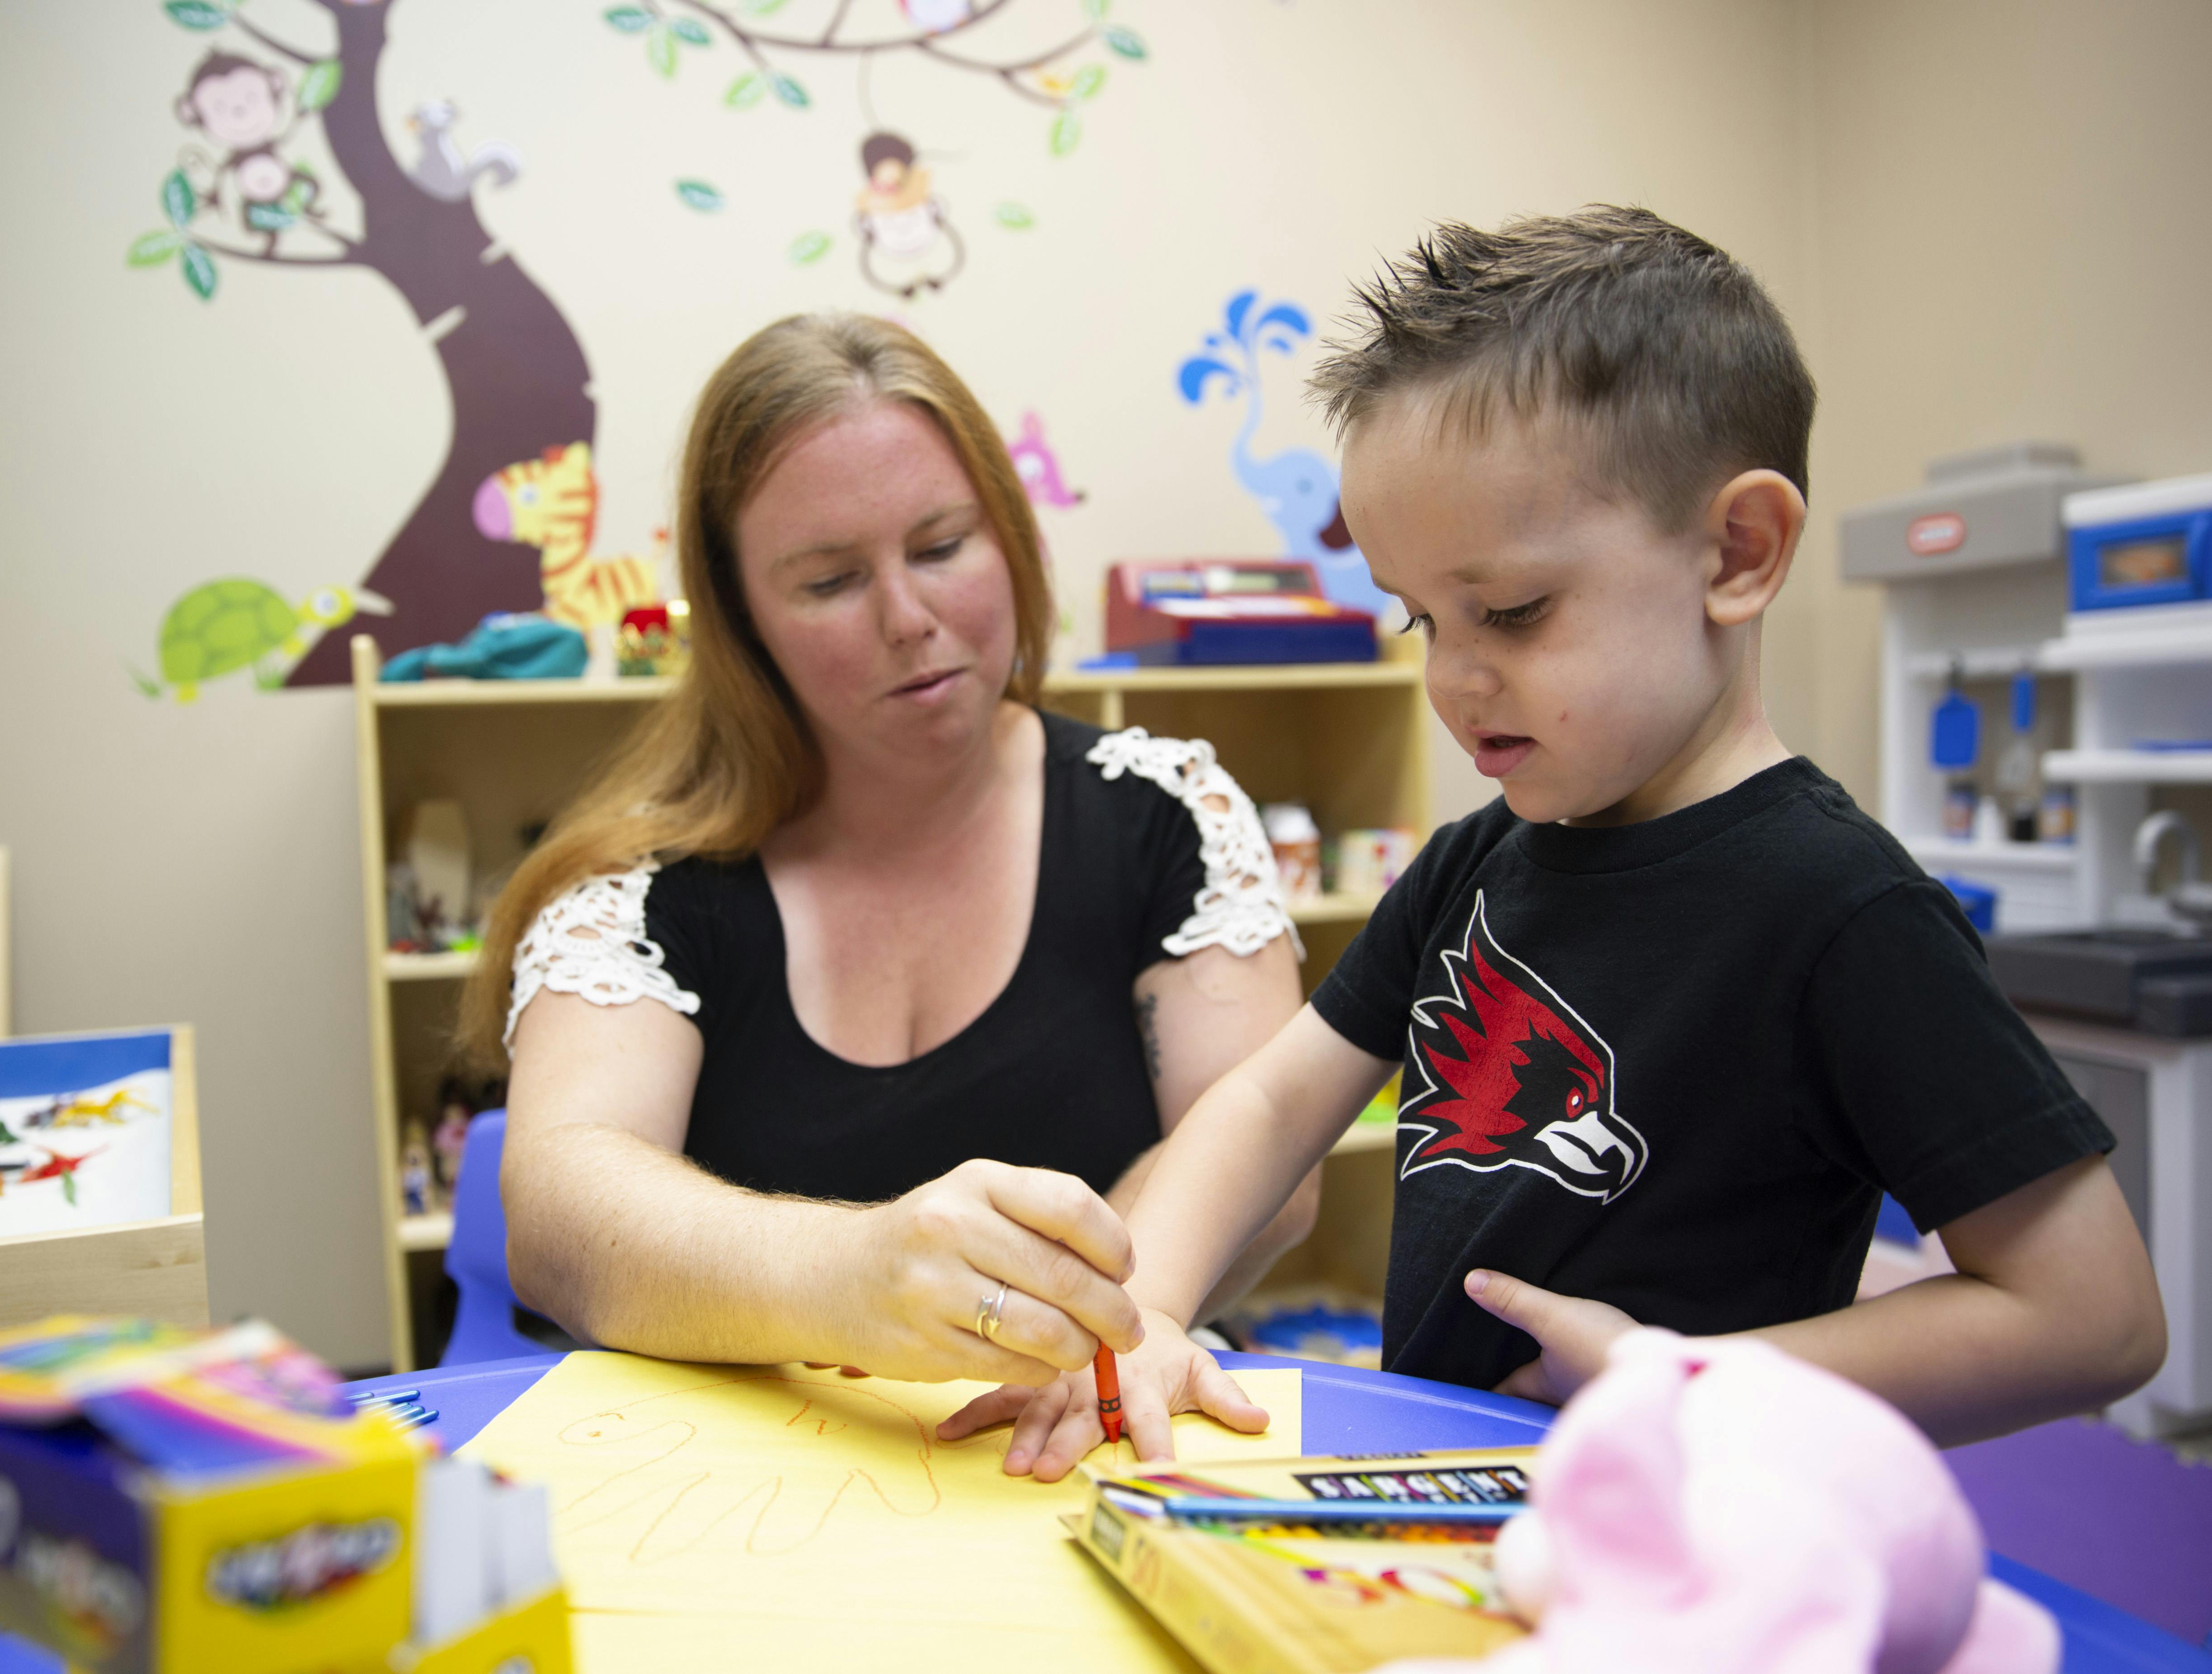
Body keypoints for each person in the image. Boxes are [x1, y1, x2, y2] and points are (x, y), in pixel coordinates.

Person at [945, 207, 2166, 1478]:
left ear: (1737, 552)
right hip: (1440, 1503)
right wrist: (1146, 1308)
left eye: (1513, 611)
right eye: (1422, 621)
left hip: (1678, 1531)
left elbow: (2092, 1318)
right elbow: (1266, 1100)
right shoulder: (1475, 863)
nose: (1453, 680)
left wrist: (1682, 1383)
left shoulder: (1841, 911)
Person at [459, 313, 1314, 1396]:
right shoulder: (639, 889)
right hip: (775, 1465)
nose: (908, 617)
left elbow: (1267, 1170)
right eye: (828, 581)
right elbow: (561, 1216)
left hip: (1094, 1413)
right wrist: (853, 1276)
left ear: (1009, 535)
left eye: (942, 547)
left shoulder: (1165, 815)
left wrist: (1072, 1336)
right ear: (741, 620)